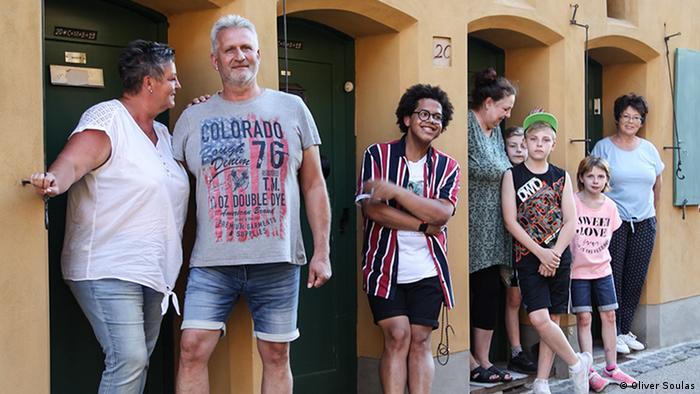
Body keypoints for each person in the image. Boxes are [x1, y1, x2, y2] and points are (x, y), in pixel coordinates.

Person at [172, 14, 332, 394]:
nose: (239, 56)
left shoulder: (292, 108)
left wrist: (322, 251)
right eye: (230, 49)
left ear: (259, 55)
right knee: (191, 348)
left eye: (246, 48)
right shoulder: (192, 117)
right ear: (215, 59)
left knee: (277, 353)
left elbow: (313, 184)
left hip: (277, 259)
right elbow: (170, 189)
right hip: (211, 262)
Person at [29, 40, 189, 393]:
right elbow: (74, 161)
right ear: (149, 83)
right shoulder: (108, 119)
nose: (177, 86)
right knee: (129, 359)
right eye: (172, 79)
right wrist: (55, 180)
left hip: (154, 272)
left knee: (135, 361)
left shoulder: (163, 134)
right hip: (106, 266)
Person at [356, 84, 460, 394]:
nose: (431, 121)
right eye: (424, 114)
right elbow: (373, 209)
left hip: (428, 269)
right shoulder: (378, 154)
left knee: (420, 339)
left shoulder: (448, 166)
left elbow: (441, 215)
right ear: (406, 119)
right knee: (397, 335)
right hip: (384, 266)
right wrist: (421, 224)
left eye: (438, 117)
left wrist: (397, 192)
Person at [501, 112, 592, 394]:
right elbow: (510, 221)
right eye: (534, 139)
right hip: (528, 257)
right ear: (525, 142)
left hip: (559, 255)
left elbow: (571, 220)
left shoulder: (561, 176)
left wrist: (554, 253)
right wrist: (541, 253)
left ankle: (542, 382)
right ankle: (578, 364)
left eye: (546, 140)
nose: (539, 144)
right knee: (538, 319)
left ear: (553, 144)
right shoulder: (511, 175)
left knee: (552, 320)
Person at [591, 93, 663, 354]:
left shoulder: (649, 149)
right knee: (613, 277)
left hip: (644, 221)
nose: (631, 121)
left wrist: (652, 213)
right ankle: (614, 330)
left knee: (635, 277)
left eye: (636, 117)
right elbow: (594, 181)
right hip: (614, 222)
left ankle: (624, 330)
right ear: (617, 118)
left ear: (641, 121)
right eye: (626, 116)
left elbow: (657, 184)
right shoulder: (603, 147)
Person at [570, 155, 637, 392]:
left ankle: (611, 367)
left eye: (601, 176)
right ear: (581, 178)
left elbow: (612, 235)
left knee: (609, 316)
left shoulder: (610, 206)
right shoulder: (573, 202)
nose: (595, 181)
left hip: (602, 270)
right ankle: (588, 369)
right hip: (578, 271)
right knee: (585, 318)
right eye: (590, 176)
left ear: (607, 179)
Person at [467, 67, 516, 383]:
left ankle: (483, 360)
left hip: (494, 230)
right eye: (504, 108)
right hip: (469, 227)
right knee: (468, 292)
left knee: (488, 294)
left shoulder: (495, 131)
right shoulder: (465, 126)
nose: (507, 115)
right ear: (487, 102)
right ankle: (468, 360)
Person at [500, 126, 537, 375]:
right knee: (513, 298)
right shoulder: (505, 173)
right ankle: (515, 350)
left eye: (522, 145)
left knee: (531, 298)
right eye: (512, 145)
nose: (518, 150)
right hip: (509, 245)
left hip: (534, 246)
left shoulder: (534, 172)